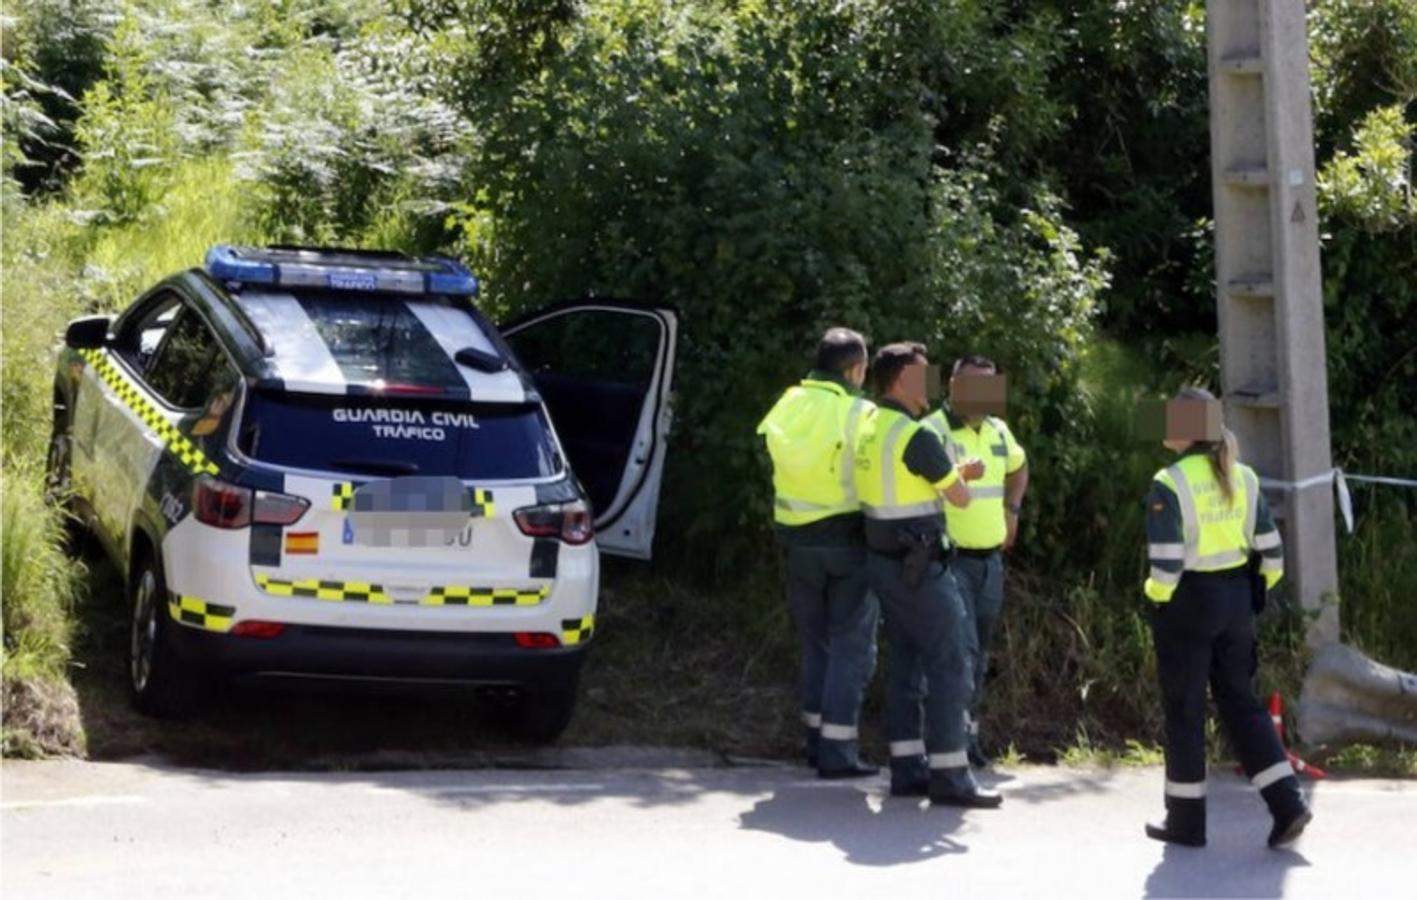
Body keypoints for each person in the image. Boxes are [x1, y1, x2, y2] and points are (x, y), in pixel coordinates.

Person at [1142, 386, 1311, 848]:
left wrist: (1156, 597)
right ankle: (1288, 804)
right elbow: (1272, 557)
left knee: (1185, 710)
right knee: (1242, 705)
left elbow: (1167, 564)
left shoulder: (1169, 481)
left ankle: (1186, 821)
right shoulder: (1244, 476)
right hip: (1238, 601)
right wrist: (1253, 593)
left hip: (1189, 604)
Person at [854, 342, 1001, 807]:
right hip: (920, 565)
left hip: (882, 562)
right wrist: (960, 477)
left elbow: (905, 479)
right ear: (901, 381)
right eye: (923, 376)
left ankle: (907, 768)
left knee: (906, 663)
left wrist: (951, 472)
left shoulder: (871, 427)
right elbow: (957, 498)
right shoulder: (915, 435)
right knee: (951, 663)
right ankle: (951, 775)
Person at [757, 327, 879, 778]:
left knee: (815, 644)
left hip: (796, 543)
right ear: (855, 369)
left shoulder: (788, 402)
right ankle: (838, 751)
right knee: (852, 648)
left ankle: (814, 741)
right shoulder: (859, 411)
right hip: (847, 543)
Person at [923, 355, 1029, 766]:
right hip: (950, 562)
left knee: (980, 654)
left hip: (991, 563)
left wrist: (1013, 509)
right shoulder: (932, 429)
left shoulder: (999, 431)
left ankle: (968, 738)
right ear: (952, 385)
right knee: (958, 653)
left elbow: (1019, 469)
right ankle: (946, 746)